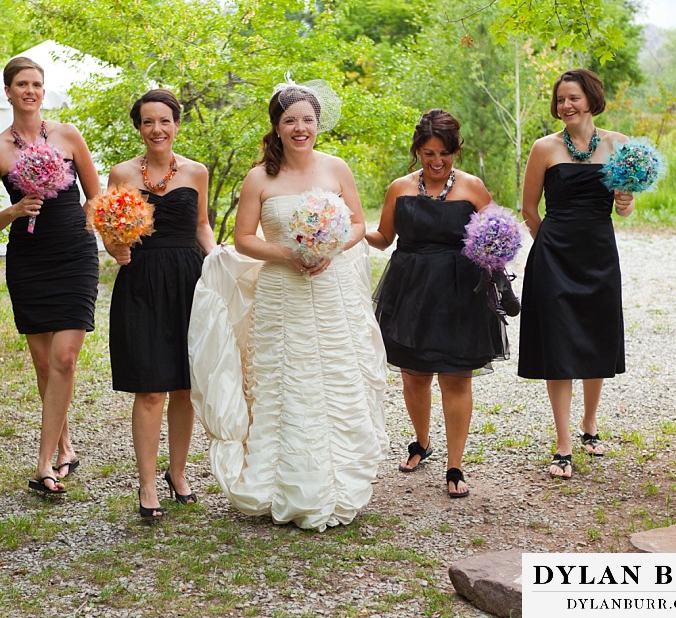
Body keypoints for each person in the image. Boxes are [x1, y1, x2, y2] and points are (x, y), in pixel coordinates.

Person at [187, 78, 388, 532]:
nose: (300, 128)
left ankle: (339, 482)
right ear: (277, 127)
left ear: (318, 124)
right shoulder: (260, 177)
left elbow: (358, 223)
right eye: (290, 120)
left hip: (329, 286)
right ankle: (282, 484)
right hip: (282, 290)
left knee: (334, 376)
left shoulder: (336, 167)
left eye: (307, 120)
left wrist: (330, 249)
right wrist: (289, 254)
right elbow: (242, 239)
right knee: (286, 382)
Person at [366, 109, 508, 498]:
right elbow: (383, 237)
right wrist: (350, 229)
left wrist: (496, 252)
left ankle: (456, 464)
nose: (436, 161)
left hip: (460, 292)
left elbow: (498, 234)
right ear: (417, 151)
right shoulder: (399, 188)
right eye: (428, 153)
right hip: (410, 290)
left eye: (444, 153)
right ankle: (421, 442)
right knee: (414, 374)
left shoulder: (473, 188)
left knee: (456, 376)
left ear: (455, 151)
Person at [0, 56, 100, 495]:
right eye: (22, 84)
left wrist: (85, 226)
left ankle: (44, 462)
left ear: (43, 92)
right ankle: (65, 446)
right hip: (29, 261)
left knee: (66, 358)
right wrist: (14, 210)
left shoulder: (67, 135)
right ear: (8, 92)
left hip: (74, 257)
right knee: (46, 365)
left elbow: (95, 194)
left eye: (36, 84)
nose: (30, 91)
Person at [517, 68, 635, 480]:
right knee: (560, 343)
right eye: (561, 99)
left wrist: (625, 201)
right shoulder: (544, 148)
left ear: (591, 99)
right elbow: (530, 209)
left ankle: (590, 426)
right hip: (554, 256)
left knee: (595, 337)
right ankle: (563, 443)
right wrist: (547, 243)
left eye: (574, 98)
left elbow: (625, 205)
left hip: (599, 254)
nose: (566, 105)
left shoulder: (619, 145)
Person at [105, 89, 215, 519]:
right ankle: (147, 484)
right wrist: (114, 247)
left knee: (185, 387)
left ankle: (179, 473)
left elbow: (202, 226)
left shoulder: (196, 172)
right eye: (148, 122)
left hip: (189, 278)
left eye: (165, 121)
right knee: (150, 389)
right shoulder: (121, 173)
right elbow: (110, 230)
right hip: (142, 280)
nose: (157, 129)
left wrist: (221, 260)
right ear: (138, 127)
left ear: (177, 124)